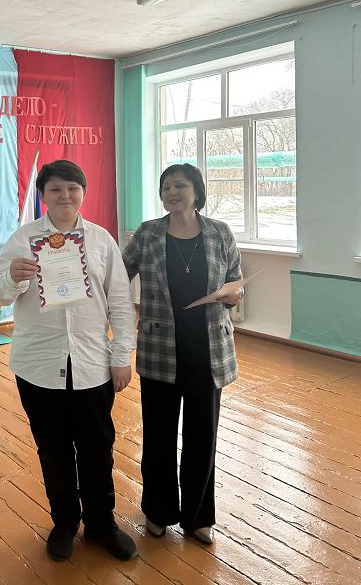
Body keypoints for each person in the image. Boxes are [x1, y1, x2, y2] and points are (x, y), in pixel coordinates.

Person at [0, 159, 137, 563]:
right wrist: (14, 277)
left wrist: (121, 355)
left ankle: (102, 524)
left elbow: (120, 301)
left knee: (97, 448)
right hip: (38, 366)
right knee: (52, 449)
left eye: (73, 188)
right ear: (43, 195)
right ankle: (65, 523)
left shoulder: (101, 240)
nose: (65, 196)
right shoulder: (23, 239)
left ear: (83, 193)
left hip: (92, 363)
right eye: (55, 189)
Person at [122, 163, 243, 545]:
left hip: (208, 351)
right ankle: (158, 511)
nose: (173, 192)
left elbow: (235, 280)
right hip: (160, 349)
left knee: (202, 437)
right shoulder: (148, 233)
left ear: (196, 192)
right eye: (167, 187)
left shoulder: (220, 232)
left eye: (180, 185)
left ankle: (198, 517)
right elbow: (118, 275)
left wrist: (235, 294)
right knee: (158, 435)